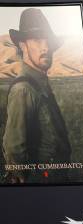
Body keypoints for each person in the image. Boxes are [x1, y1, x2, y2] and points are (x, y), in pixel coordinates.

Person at [3, 7, 70, 183]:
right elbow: (14, 150)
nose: (46, 47)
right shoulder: (23, 89)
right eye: (37, 40)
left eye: (48, 41)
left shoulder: (40, 85)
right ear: (23, 45)